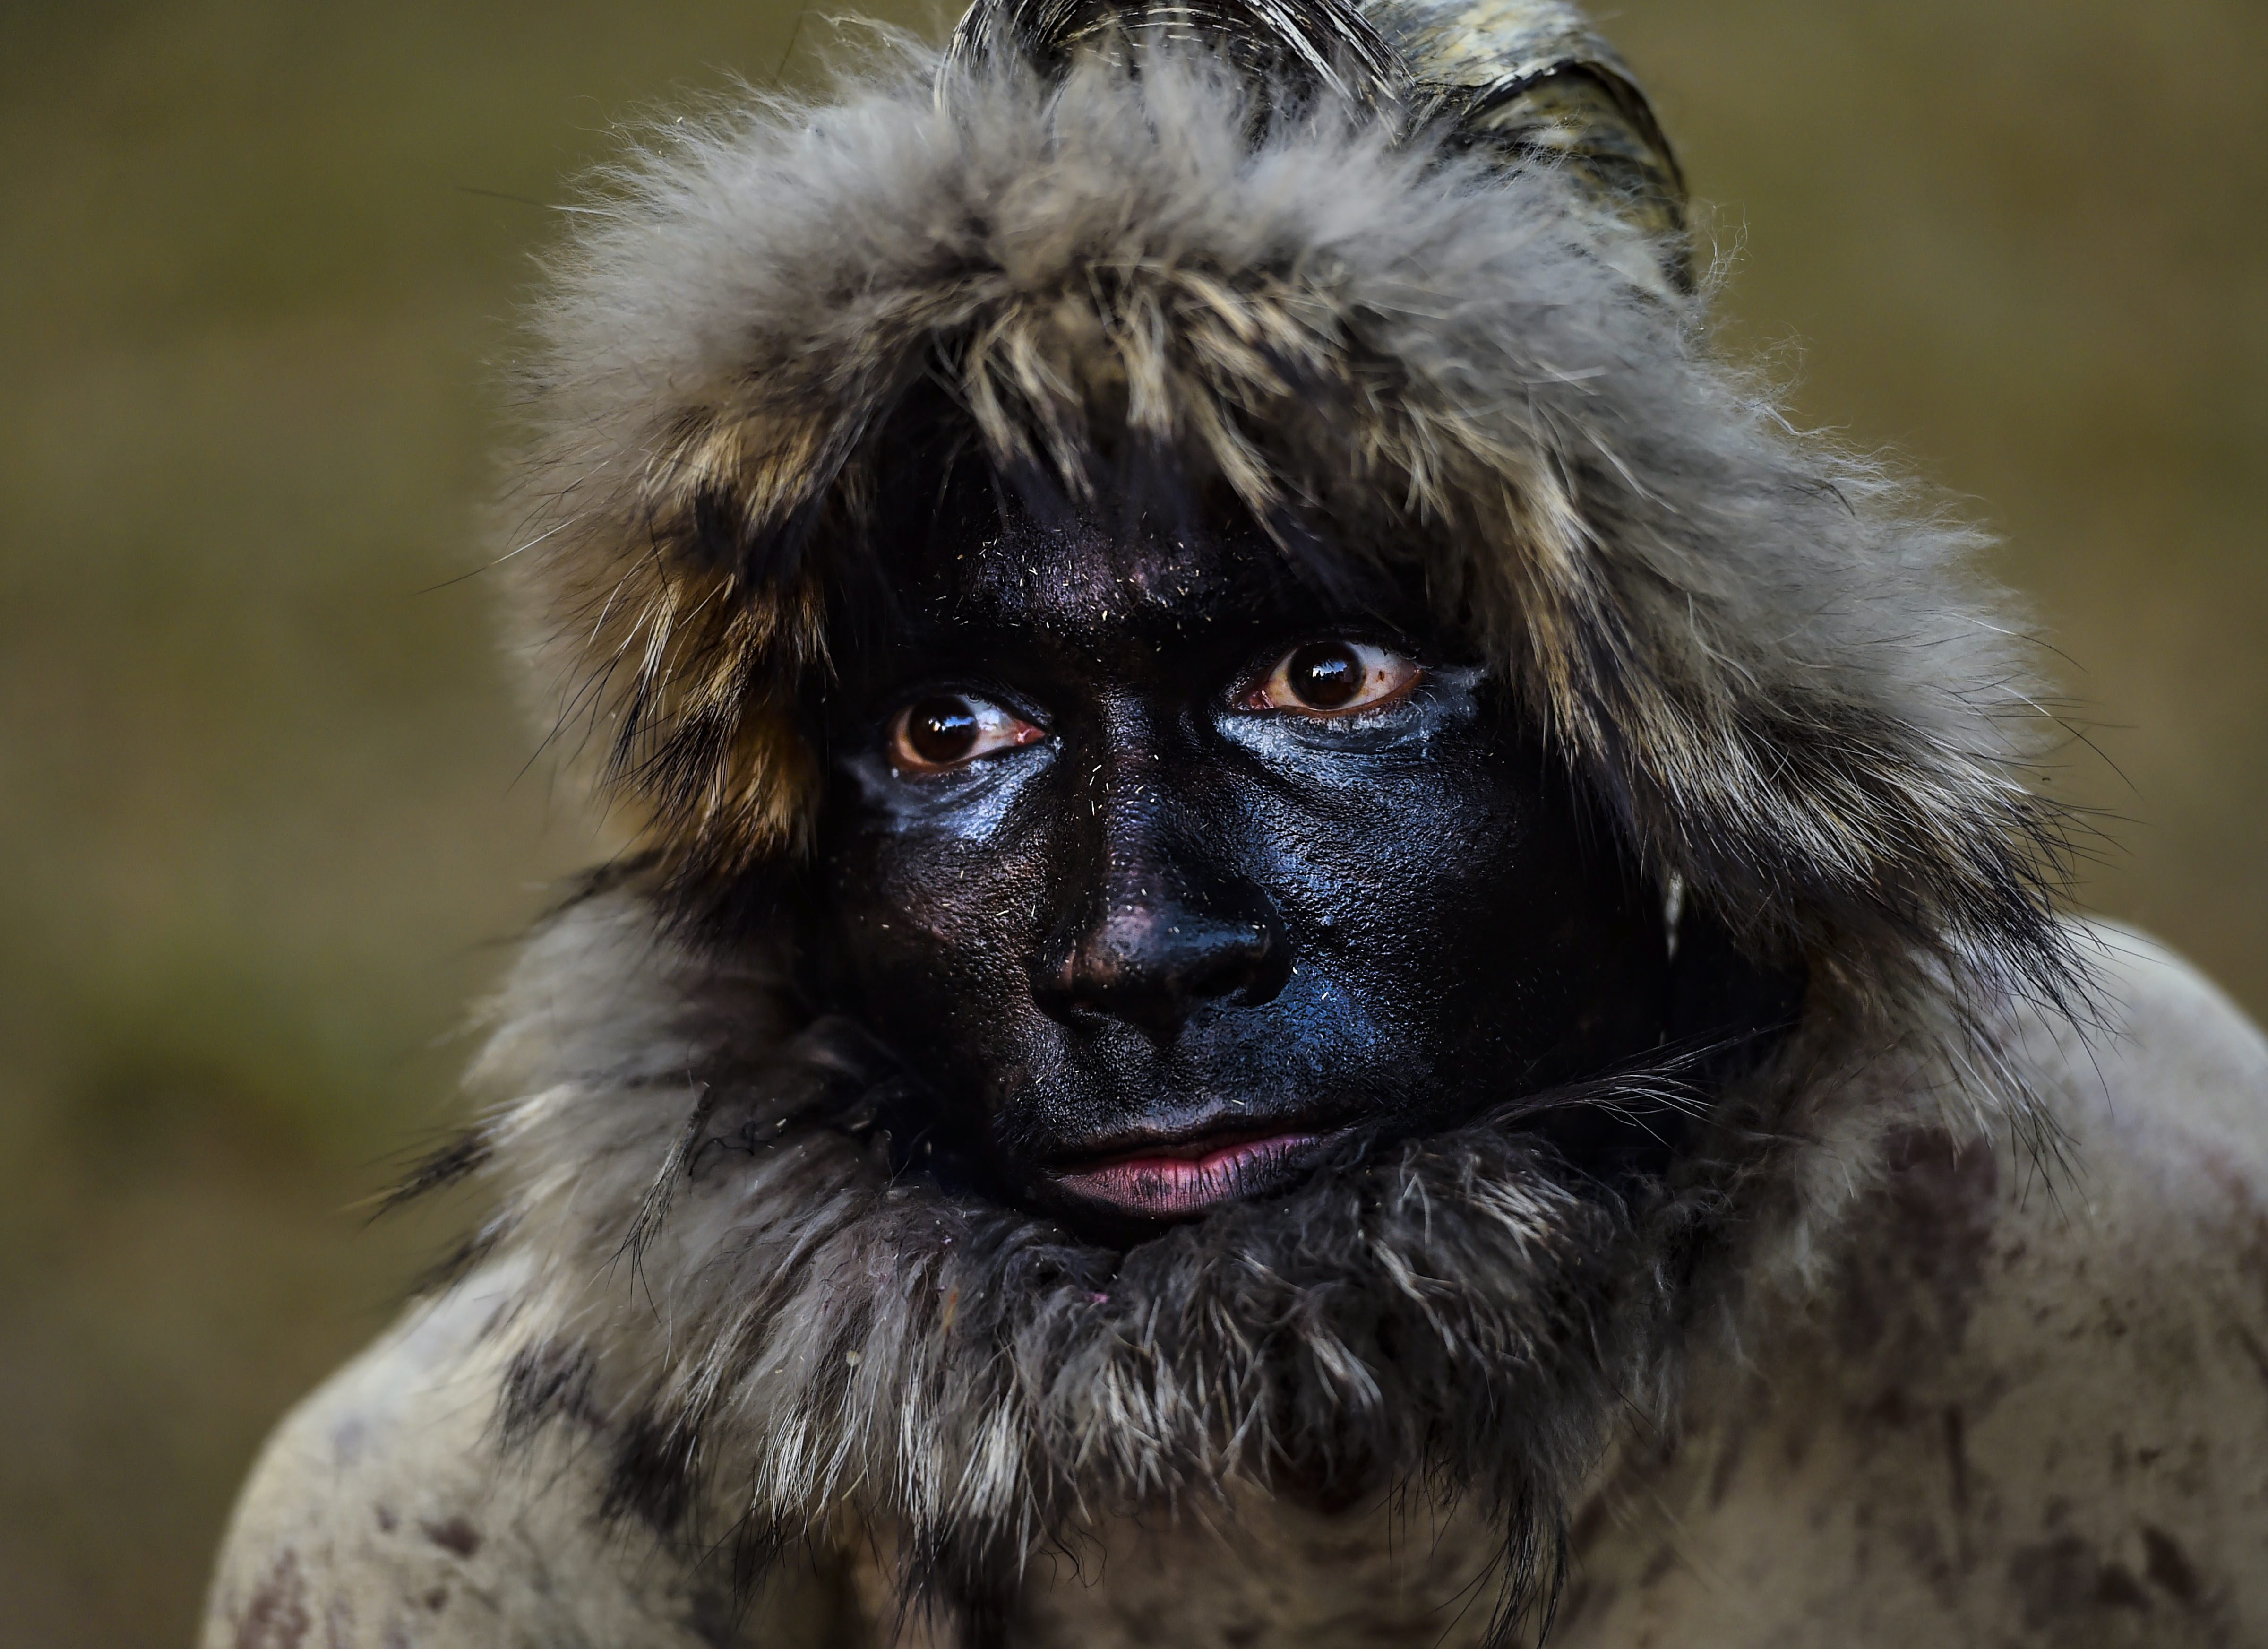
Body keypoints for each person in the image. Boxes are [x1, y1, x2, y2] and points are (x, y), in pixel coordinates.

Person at [202, 1, 2268, 1643]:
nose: (1130, 940)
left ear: (1664, 744)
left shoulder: (2139, 1238)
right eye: (949, 730)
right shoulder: (470, 1552)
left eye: (1325, 684)